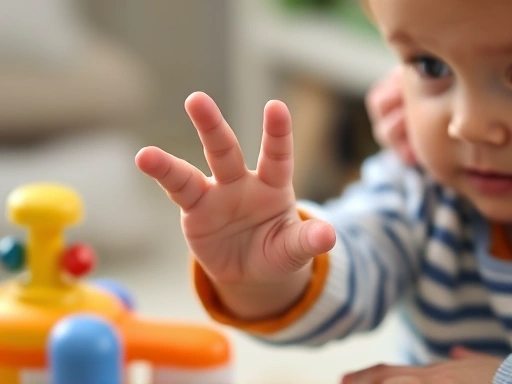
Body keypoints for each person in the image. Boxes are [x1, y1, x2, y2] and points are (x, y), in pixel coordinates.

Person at [135, 1, 512, 382]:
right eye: (431, 66)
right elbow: (357, 262)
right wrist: (268, 274)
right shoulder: (419, 189)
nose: (469, 124)